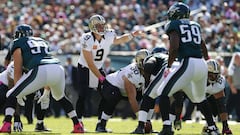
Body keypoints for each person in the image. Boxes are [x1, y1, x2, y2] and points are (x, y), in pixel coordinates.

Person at [0, 24, 83, 133]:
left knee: (11, 94)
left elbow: (18, 69)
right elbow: (48, 66)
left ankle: (6, 124)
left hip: (40, 69)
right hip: (58, 67)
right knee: (60, 97)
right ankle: (77, 125)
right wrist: (47, 92)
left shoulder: (17, 43)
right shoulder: (41, 41)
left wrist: (17, 92)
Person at [156, 2, 217, 135]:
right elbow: (202, 45)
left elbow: (174, 47)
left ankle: (167, 127)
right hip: (201, 64)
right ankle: (212, 128)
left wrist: (169, 65)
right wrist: (207, 60)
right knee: (200, 98)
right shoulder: (195, 25)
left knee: (162, 92)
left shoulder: (174, 25)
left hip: (188, 63)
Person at [76, 14, 145, 125]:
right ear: (92, 27)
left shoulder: (108, 34)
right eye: (98, 26)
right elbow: (90, 63)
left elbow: (118, 40)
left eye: (102, 25)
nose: (102, 28)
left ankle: (100, 122)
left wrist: (132, 35)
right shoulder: (87, 38)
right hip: (85, 68)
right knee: (83, 95)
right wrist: (101, 78)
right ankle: (78, 122)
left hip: (98, 67)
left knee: (106, 94)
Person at [171, 59, 233, 135]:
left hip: (205, 95)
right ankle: (170, 123)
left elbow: (221, 105)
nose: (214, 77)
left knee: (217, 106)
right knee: (179, 99)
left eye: (216, 75)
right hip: (188, 90)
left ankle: (209, 127)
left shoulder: (219, 82)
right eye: (211, 75)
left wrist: (225, 126)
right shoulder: (196, 77)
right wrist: (178, 116)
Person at [95, 49, 149, 133]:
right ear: (140, 61)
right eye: (147, 61)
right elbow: (132, 99)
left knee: (146, 97)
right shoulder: (132, 73)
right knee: (114, 97)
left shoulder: (147, 72)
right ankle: (101, 125)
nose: (150, 64)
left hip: (122, 88)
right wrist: (141, 121)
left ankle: (147, 122)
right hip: (110, 84)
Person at [226, 52, 240, 122]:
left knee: (239, 104)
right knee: (230, 104)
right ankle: (224, 117)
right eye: (236, 58)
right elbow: (229, 78)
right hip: (234, 88)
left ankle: (239, 118)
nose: (238, 59)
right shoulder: (232, 67)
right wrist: (232, 87)